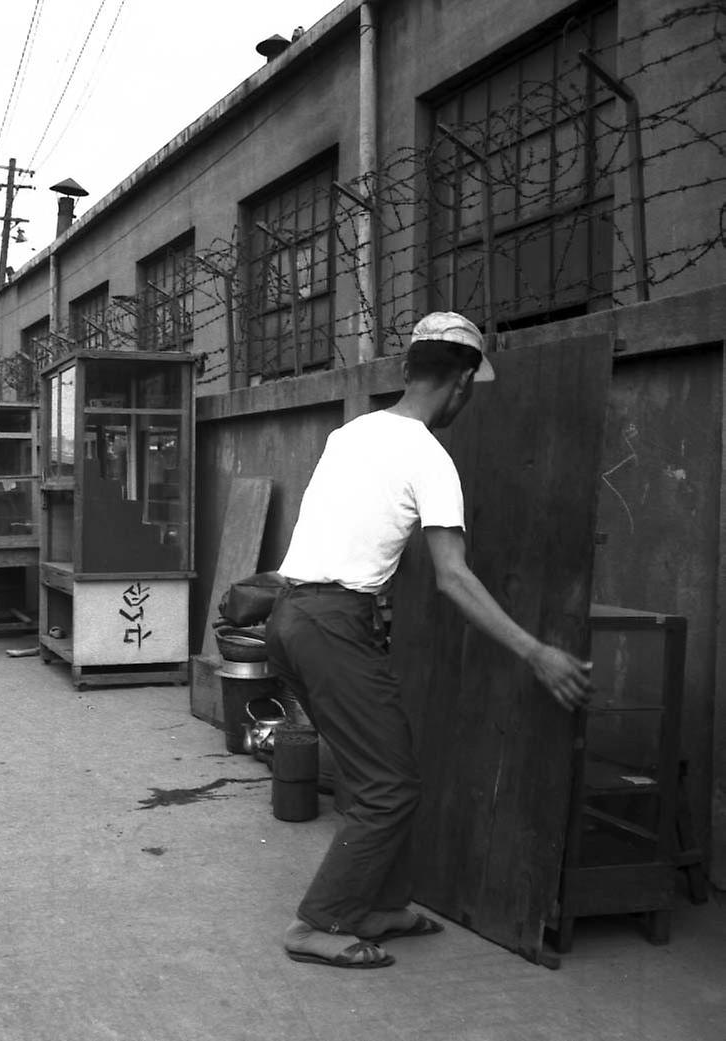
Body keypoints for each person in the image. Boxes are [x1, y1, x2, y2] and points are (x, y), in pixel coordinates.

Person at [265, 311, 594, 970]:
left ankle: (376, 906)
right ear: (463, 382)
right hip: (333, 624)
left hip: (291, 617)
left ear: (408, 370)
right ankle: (318, 922)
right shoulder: (428, 456)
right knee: (388, 783)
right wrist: (536, 650)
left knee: (377, 775)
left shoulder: (349, 433)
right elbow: (451, 576)